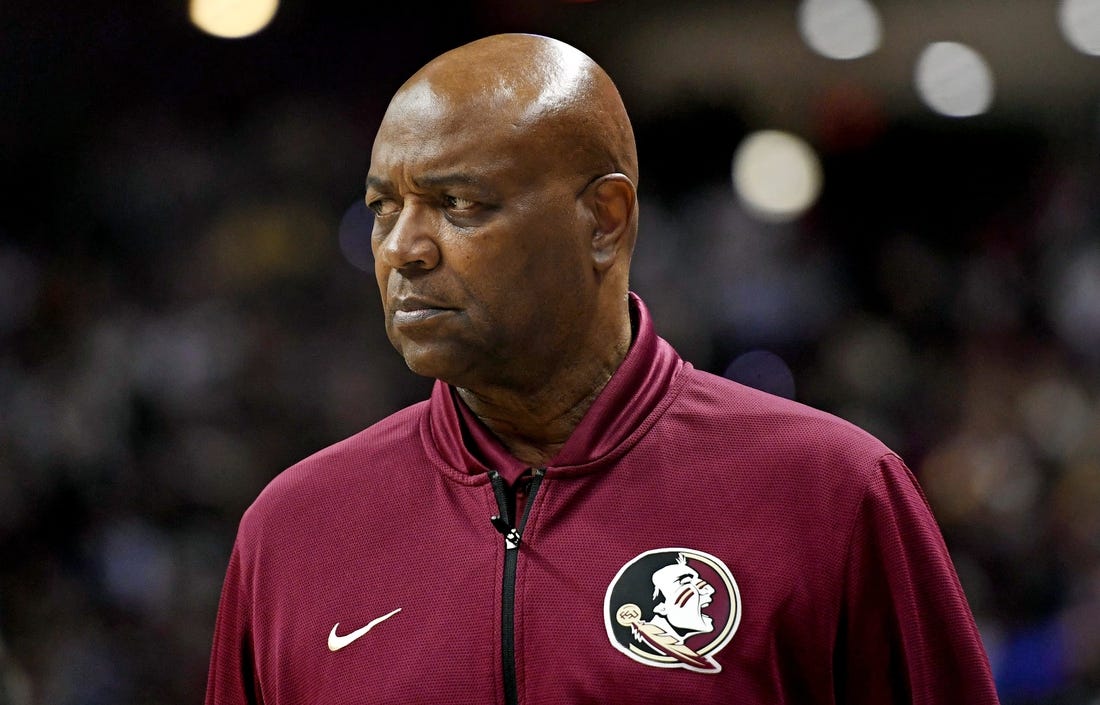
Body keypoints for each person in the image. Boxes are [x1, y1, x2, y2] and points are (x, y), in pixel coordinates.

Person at [204, 32, 1001, 704]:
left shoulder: (834, 493)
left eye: (459, 205)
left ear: (604, 219)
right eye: (385, 208)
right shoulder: (292, 533)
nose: (404, 248)